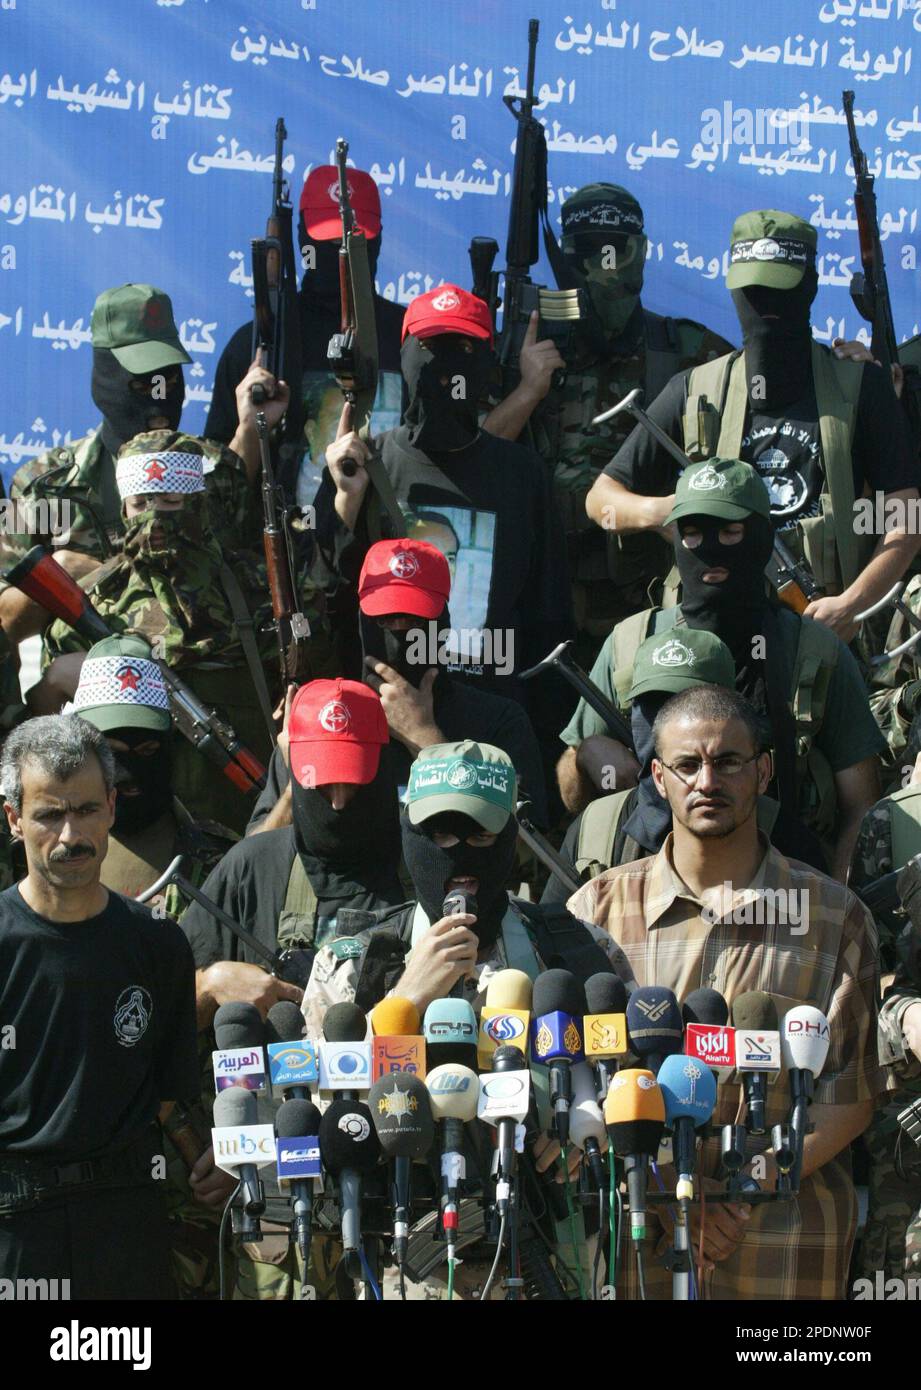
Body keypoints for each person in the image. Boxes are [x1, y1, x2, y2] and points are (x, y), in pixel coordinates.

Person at [568, 684, 883, 1300]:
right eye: (687, 765)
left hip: (783, 1255)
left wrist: (741, 1187)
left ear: (763, 771)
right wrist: (668, 1196)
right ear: (658, 779)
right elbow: (585, 1088)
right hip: (641, 1249)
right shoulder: (596, 913)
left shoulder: (832, 917)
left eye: (728, 761)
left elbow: (851, 1096)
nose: (706, 780)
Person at [300, 739, 625, 1299]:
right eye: (442, 838)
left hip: (557, 1257)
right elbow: (316, 1125)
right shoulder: (353, 967)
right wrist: (406, 996)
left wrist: (587, 1140)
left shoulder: (576, 955)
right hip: (411, 1268)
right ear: (409, 836)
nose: (461, 859)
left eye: (480, 838)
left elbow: (644, 1104)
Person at [587, 209, 920, 647]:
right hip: (709, 640)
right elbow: (601, 501)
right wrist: (668, 513)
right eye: (753, 291)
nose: (765, 304)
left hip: (823, 632)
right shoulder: (696, 389)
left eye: (778, 289)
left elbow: (906, 515)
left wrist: (854, 604)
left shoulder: (858, 387)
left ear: (810, 286)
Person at [181, 677, 404, 1300]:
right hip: (275, 1208)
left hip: (403, 1189)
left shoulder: (426, 859)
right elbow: (152, 1015)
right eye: (318, 780)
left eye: (355, 781)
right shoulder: (253, 867)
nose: (336, 802)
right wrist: (211, 985)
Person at [559, 458, 885, 880]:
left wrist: (835, 911)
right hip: (646, 892)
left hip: (785, 886)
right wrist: (586, 754)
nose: (710, 550)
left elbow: (861, 805)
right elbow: (571, 798)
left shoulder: (815, 652)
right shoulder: (630, 645)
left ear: (762, 538)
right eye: (692, 534)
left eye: (730, 532)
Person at [318, 283, 574, 787]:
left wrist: (542, 741)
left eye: (464, 350)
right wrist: (344, 502)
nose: (447, 367)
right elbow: (325, 596)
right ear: (407, 353)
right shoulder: (369, 463)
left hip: (492, 724)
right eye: (432, 348)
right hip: (378, 724)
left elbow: (549, 616)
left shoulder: (522, 473)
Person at [36, 433, 332, 833]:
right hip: (130, 828)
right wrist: (65, 679)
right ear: (123, 508)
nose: (155, 517)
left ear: (199, 503)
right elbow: (48, 735)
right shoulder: (96, 603)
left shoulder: (260, 592)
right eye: (141, 503)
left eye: (171, 501)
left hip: (244, 814)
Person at [0, 713, 200, 1299]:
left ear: (111, 806)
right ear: (14, 819)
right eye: (49, 814)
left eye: (86, 810)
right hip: (15, 1238)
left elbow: (167, 1091)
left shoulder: (157, 944)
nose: (71, 836)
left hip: (127, 1229)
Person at [484, 182, 733, 637]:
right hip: (535, 590)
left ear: (637, 253)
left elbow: (772, 385)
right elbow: (473, 462)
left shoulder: (682, 349)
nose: (605, 269)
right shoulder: (526, 345)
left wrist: (846, 366)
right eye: (591, 252)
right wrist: (527, 391)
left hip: (641, 597)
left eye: (616, 251)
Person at [0, 285, 281, 650]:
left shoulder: (214, 471)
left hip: (199, 687)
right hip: (87, 690)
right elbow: (6, 620)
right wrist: (60, 582)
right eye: (143, 380)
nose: (160, 394)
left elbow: (252, 584)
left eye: (170, 377)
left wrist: (106, 572)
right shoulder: (41, 484)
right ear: (105, 374)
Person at [248, 537, 548, 833]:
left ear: (443, 622)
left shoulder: (496, 721)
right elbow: (255, 862)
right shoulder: (322, 717)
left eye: (415, 621)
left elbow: (527, 844)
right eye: (385, 621)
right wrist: (299, 784)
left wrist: (426, 740)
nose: (400, 634)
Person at [541, 625, 826, 905]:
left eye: (690, 705)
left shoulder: (781, 836)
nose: (706, 782)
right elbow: (554, 940)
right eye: (654, 708)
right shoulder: (597, 831)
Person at [206, 162, 406, 509]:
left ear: (377, 240)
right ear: (300, 238)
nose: (338, 252)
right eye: (325, 241)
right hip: (275, 552)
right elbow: (214, 490)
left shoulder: (408, 337)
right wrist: (251, 429)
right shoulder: (258, 343)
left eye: (352, 242)